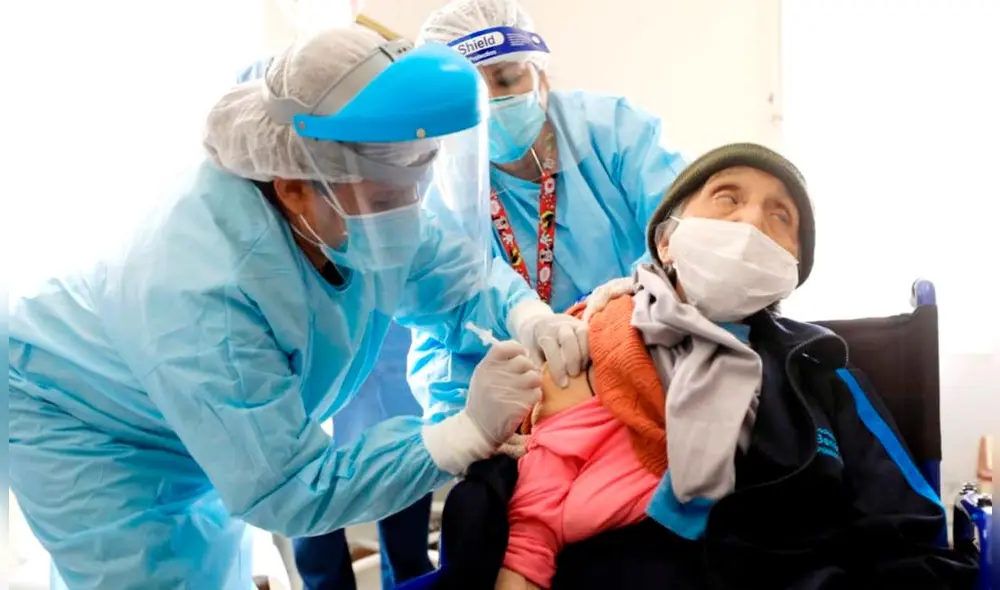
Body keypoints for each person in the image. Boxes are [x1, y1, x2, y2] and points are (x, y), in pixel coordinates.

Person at [7, 25, 594, 589]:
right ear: (292, 187)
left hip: (184, 406)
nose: (408, 214)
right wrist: (458, 436)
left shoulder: (341, 199)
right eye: (390, 197)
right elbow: (290, 486)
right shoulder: (203, 288)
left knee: (216, 566)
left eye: (417, 189)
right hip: (83, 417)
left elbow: (454, 275)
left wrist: (529, 316)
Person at [424, 143, 980, 589]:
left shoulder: (819, 368)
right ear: (667, 240)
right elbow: (534, 515)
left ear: (792, 265)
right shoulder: (595, 344)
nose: (751, 222)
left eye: (780, 215)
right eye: (727, 198)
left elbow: (908, 531)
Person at [407, 0, 687, 415]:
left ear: (540, 71)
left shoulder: (614, 133)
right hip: (528, 408)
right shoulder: (443, 193)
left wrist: (625, 310)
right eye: (474, 92)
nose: (494, 101)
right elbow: (445, 325)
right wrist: (476, 431)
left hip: (643, 363)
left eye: (507, 78)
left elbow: (684, 234)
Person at [236, 57, 436, 590]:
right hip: (304, 391)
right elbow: (290, 486)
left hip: (386, 362)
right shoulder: (252, 252)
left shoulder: (378, 190)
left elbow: (442, 268)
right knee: (314, 514)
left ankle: (409, 577)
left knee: (406, 503)